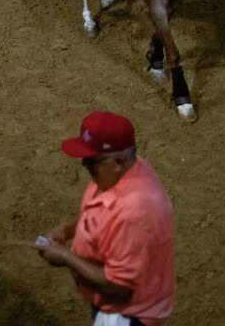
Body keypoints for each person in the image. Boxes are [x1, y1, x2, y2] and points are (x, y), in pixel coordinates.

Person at [35, 111, 175, 326]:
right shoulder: (124, 171)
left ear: (118, 161)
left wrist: (66, 257)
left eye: (91, 162)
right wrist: (69, 229)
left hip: (126, 315)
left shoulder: (133, 213)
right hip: (108, 302)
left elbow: (119, 289)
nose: (85, 165)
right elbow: (103, 216)